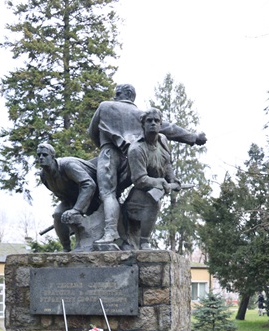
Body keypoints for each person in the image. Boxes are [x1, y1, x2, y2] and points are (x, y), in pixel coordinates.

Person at [88, 84, 207, 245]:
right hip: (130, 159)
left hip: (109, 153)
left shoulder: (105, 106)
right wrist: (193, 137)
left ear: (118, 94)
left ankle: (110, 232)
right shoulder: (140, 114)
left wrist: (103, 146)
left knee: (108, 194)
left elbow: (92, 132)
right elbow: (169, 129)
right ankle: (124, 233)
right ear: (132, 97)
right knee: (118, 193)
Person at [124, 108, 181, 249]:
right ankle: (144, 241)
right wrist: (160, 182)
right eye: (149, 121)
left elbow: (167, 162)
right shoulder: (137, 149)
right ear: (143, 124)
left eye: (156, 121)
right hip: (139, 194)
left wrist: (172, 179)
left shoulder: (163, 140)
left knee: (154, 200)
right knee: (153, 203)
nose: (153, 123)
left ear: (161, 124)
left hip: (156, 188)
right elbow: (139, 179)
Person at [37, 143, 100, 251]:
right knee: (58, 214)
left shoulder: (68, 165)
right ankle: (66, 248)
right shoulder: (44, 176)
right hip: (72, 199)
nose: (41, 158)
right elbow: (60, 193)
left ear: (52, 157)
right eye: (39, 155)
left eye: (45, 155)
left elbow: (89, 184)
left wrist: (77, 209)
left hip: (94, 195)